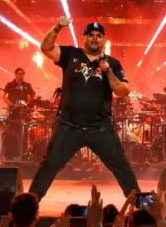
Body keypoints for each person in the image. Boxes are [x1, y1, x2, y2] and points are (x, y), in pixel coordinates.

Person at [28, 17, 140, 198]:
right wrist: (57, 28)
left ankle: (142, 207)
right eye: (91, 35)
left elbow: (123, 91)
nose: (94, 38)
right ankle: (26, 207)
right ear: (84, 38)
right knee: (49, 165)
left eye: (98, 35)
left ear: (103, 39)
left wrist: (108, 71)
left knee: (122, 167)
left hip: (100, 128)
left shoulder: (112, 63)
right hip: (68, 126)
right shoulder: (71, 55)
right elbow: (46, 48)